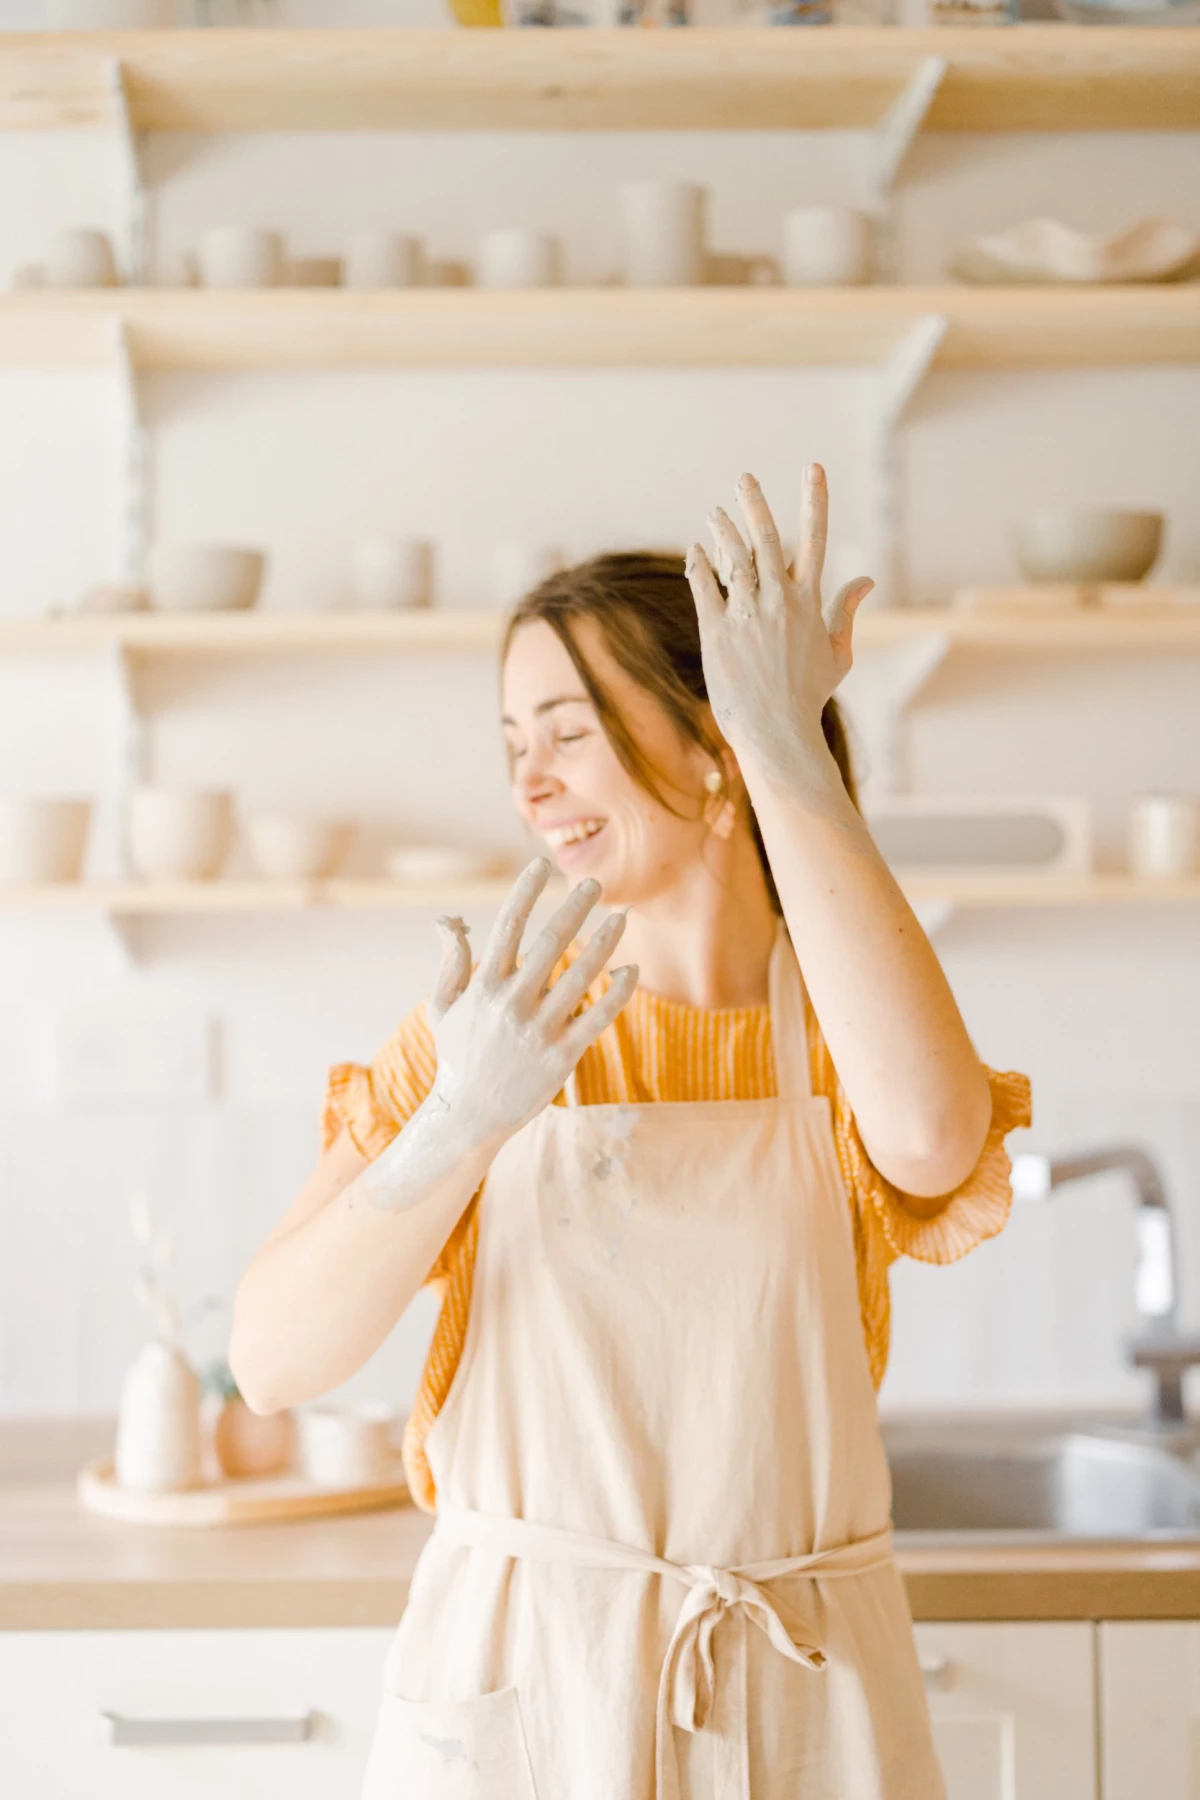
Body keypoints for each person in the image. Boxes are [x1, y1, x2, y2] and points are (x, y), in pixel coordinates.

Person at [231, 464, 1031, 1799]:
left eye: (567, 730)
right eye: (513, 745)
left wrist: (781, 737)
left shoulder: (844, 1015)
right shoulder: (496, 1027)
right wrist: (460, 1122)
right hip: (532, 1687)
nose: (530, 784)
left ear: (712, 741)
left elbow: (935, 1138)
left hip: (800, 1694)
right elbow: (270, 1360)